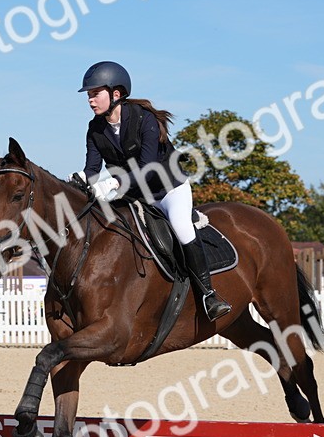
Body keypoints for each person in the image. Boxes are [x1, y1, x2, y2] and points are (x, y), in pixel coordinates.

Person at [74, 61, 231, 320]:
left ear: (116, 94)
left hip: (168, 189)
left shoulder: (143, 118)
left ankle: (208, 296)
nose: (91, 100)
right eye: (89, 95)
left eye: (95, 94)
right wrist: (78, 181)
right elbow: (92, 169)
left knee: (181, 227)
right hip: (136, 195)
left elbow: (148, 168)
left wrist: (113, 183)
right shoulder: (95, 129)